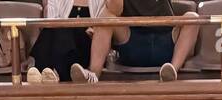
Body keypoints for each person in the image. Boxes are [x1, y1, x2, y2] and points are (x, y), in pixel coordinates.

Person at [69, 0, 198, 83]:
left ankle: (171, 72)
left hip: (166, 42)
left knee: (192, 18)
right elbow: (114, 9)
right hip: (133, 42)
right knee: (106, 16)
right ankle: (93, 74)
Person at [27, 0, 107, 84]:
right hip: (62, 46)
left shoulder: (100, 1)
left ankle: (42, 71)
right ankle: (48, 73)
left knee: (62, 31)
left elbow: (102, 28)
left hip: (87, 46)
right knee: (53, 31)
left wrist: (94, 31)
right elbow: (51, 22)